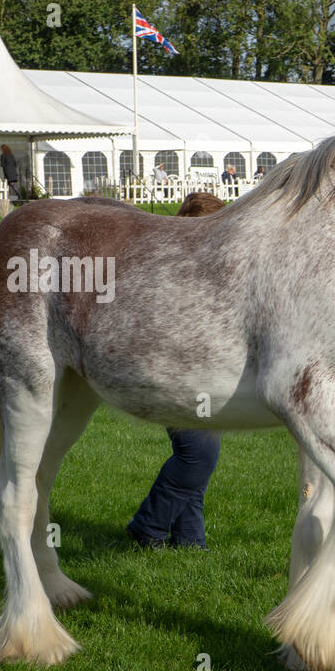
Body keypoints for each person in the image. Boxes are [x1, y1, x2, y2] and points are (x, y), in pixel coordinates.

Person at [127, 191, 226, 550]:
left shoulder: (194, 266)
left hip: (195, 375)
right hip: (175, 376)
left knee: (198, 457)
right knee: (198, 455)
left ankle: (188, 541)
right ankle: (147, 527)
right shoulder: (174, 270)